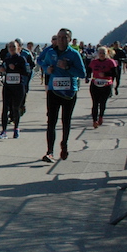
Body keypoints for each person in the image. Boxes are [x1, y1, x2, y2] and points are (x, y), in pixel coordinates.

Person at [36, 28, 87, 162]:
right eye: (59, 37)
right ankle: (49, 152)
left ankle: (64, 144)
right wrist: (47, 69)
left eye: (64, 37)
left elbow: (82, 74)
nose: (61, 40)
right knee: (51, 121)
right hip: (53, 90)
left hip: (69, 92)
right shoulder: (50, 52)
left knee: (66, 120)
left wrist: (68, 67)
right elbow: (43, 64)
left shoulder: (74, 54)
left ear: (69, 40)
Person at [0, 41, 27, 139]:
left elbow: (27, 72)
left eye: (13, 46)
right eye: (9, 46)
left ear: (18, 48)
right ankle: (4, 131)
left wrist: (16, 68)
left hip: (18, 87)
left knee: (15, 108)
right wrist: (2, 69)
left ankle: (16, 128)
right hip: (8, 86)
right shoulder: (7, 59)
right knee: (5, 108)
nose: (11, 48)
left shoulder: (21, 59)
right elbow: (2, 67)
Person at [88, 46, 117, 128]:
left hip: (106, 85)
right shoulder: (94, 62)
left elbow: (115, 73)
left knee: (102, 103)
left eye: (103, 53)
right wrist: (87, 76)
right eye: (100, 53)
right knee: (95, 103)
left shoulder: (111, 62)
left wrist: (105, 74)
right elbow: (88, 70)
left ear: (107, 53)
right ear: (97, 54)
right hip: (95, 84)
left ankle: (101, 116)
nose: (101, 55)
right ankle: (94, 121)